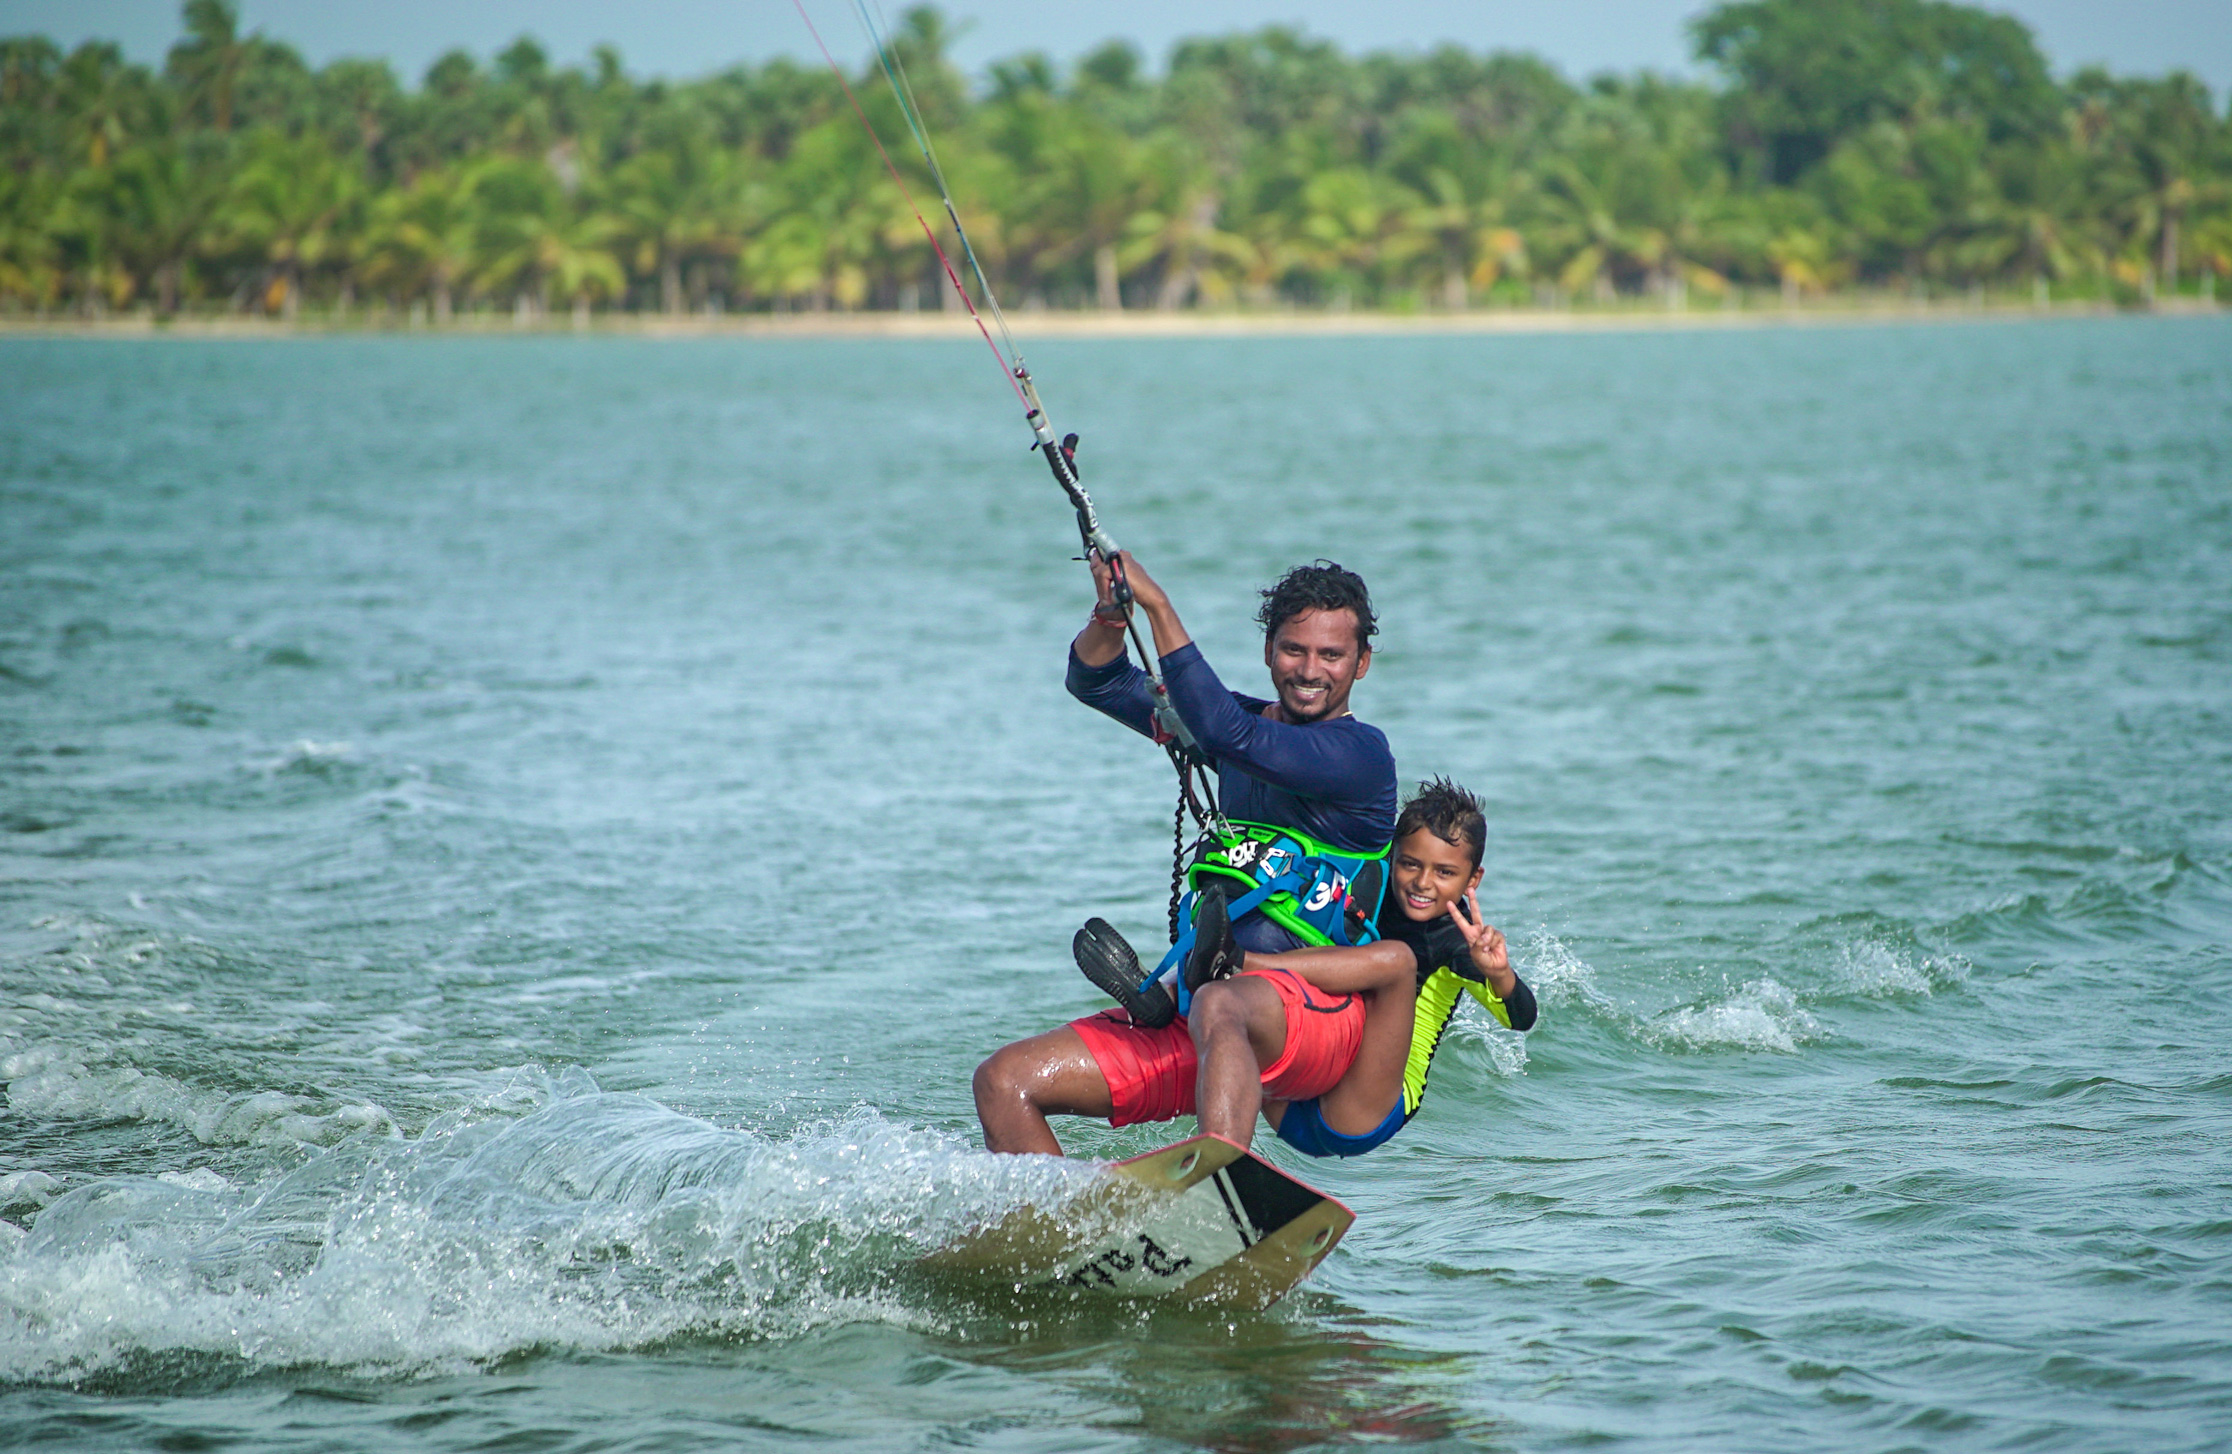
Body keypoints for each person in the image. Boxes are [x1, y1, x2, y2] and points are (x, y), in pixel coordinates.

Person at [971, 553, 1399, 1155]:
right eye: (1293, 650)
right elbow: (1097, 681)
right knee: (1003, 1080)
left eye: (1331, 655)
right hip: (1206, 1011)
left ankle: (1216, 1182)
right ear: (1268, 650)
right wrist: (1111, 615)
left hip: (1316, 1016)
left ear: (1362, 663)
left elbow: (1231, 735)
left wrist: (1157, 605)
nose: (1310, 669)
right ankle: (1064, 1239)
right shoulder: (1237, 727)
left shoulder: (1360, 757)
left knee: (1223, 1002)